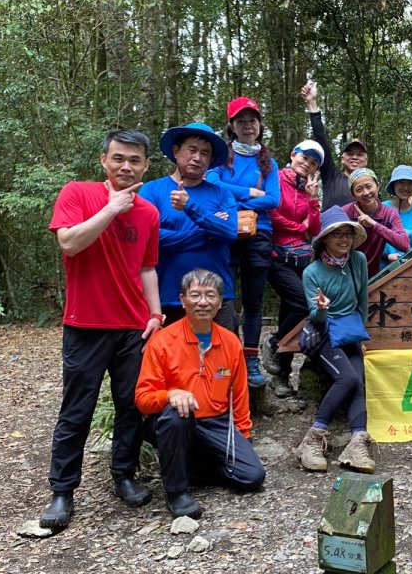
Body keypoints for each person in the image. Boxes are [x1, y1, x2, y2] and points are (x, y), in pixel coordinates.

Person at [41, 129, 162, 528]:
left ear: (146, 165)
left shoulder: (148, 213)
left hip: (133, 327)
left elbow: (147, 267)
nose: (126, 166)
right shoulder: (77, 193)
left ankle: (123, 474)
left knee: (131, 406)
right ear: (103, 161)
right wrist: (111, 209)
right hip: (86, 324)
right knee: (77, 409)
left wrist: (156, 315)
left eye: (134, 160)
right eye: (119, 159)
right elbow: (70, 243)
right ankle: (62, 491)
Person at [135, 269, 266, 518]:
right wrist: (170, 395)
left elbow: (239, 396)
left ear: (220, 302)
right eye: (195, 295)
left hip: (217, 423)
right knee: (177, 415)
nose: (203, 302)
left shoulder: (229, 342)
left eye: (210, 295)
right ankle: (176, 492)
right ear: (183, 300)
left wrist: (244, 437)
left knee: (252, 476)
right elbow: (143, 398)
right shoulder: (162, 341)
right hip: (174, 421)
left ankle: (187, 467)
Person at [205, 97, 281, 388]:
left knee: (253, 302)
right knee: (224, 299)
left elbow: (274, 200)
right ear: (232, 126)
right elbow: (212, 184)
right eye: (241, 121)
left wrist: (232, 196)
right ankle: (226, 357)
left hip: (258, 235)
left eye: (252, 120)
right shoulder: (221, 157)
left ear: (260, 125)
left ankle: (250, 360)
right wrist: (250, 191)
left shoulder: (268, 162)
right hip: (225, 232)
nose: (247, 125)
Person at [296, 207, 376, 473]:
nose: (344, 240)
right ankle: (313, 438)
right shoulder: (312, 273)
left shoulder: (358, 260)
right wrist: (321, 308)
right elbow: (315, 319)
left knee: (358, 382)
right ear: (324, 240)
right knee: (348, 378)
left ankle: (357, 443)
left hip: (350, 330)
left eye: (348, 234)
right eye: (337, 234)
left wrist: (360, 333)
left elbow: (362, 301)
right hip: (324, 332)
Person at [139, 123, 239, 333]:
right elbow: (148, 239)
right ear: (176, 151)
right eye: (191, 150)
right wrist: (209, 230)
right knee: (171, 364)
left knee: (222, 364)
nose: (197, 157)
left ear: (211, 160)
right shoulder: (152, 191)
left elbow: (229, 233)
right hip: (168, 296)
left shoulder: (222, 195)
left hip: (217, 298)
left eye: (205, 153)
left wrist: (190, 207)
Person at [259, 140, 325, 398]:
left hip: (301, 258)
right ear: (292, 155)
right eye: (304, 157)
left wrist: (313, 200)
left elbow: (316, 229)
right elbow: (272, 214)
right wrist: (300, 227)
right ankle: (273, 343)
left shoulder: (308, 188)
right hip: (276, 254)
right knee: (302, 304)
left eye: (313, 162)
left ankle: (281, 377)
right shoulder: (274, 178)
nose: (307, 164)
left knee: (292, 311)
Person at [301, 80, 367, 209]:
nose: (354, 157)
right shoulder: (332, 176)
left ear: (366, 160)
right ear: (342, 158)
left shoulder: (370, 187)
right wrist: (312, 102)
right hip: (330, 228)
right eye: (350, 153)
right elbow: (320, 138)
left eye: (359, 154)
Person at [341, 168, 410, 276]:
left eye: (369, 186)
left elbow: (404, 244)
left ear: (377, 186)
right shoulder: (345, 213)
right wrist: (355, 232)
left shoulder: (389, 214)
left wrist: (374, 224)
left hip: (372, 275)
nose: (366, 192)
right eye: (359, 190)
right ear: (353, 194)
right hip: (345, 274)